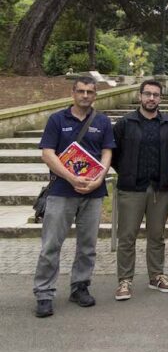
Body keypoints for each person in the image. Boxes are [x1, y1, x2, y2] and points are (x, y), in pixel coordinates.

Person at [33, 76, 116, 317]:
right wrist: (71, 178)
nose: (85, 96)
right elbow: (47, 154)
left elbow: (107, 151)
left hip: (93, 192)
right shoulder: (57, 120)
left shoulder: (102, 121)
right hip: (61, 191)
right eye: (81, 91)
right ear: (73, 93)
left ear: (95, 95)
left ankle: (80, 286)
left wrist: (100, 177)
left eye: (90, 92)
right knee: (51, 244)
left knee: (87, 245)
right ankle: (44, 293)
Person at [112, 80, 168, 301]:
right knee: (127, 236)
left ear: (161, 98)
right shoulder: (125, 123)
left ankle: (156, 276)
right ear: (140, 96)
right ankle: (125, 280)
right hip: (131, 189)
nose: (151, 98)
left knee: (157, 235)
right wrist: (127, 171)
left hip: (160, 189)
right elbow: (113, 153)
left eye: (156, 95)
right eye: (147, 94)